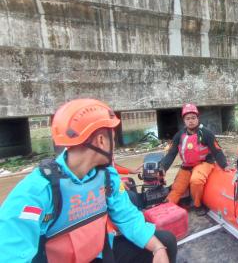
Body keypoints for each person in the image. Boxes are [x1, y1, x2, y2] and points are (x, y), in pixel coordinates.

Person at [0, 98, 177, 263]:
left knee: (166, 241)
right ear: (101, 141)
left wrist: (158, 248)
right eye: (113, 140)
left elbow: (128, 217)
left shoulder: (108, 177)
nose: (114, 145)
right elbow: (12, 254)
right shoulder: (36, 191)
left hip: (99, 254)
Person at [160, 103, 231, 215]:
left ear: (198, 118)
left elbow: (217, 150)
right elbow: (171, 154)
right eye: (188, 118)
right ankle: (166, 210)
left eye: (193, 118)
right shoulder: (179, 136)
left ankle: (198, 205)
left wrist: (225, 165)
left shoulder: (206, 133)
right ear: (184, 120)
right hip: (186, 165)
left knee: (196, 180)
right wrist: (162, 167)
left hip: (204, 163)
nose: (191, 121)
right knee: (177, 189)